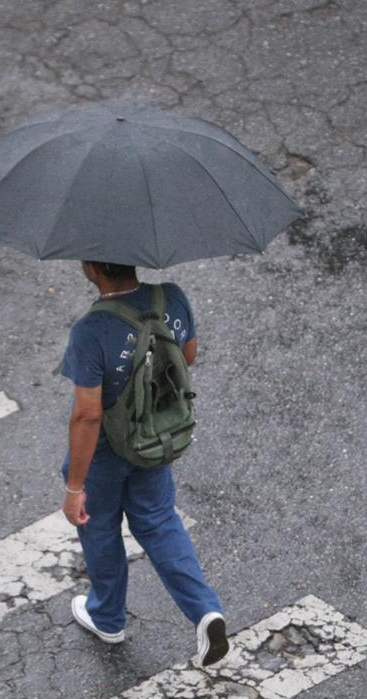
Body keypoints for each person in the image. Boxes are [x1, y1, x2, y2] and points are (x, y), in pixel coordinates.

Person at [59, 260, 229, 668]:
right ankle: (206, 611)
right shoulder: (170, 297)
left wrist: (73, 487)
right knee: (158, 520)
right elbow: (187, 355)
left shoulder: (90, 332)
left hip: (105, 451)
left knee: (98, 525)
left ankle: (108, 617)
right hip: (154, 435)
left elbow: (88, 415)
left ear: (92, 267)